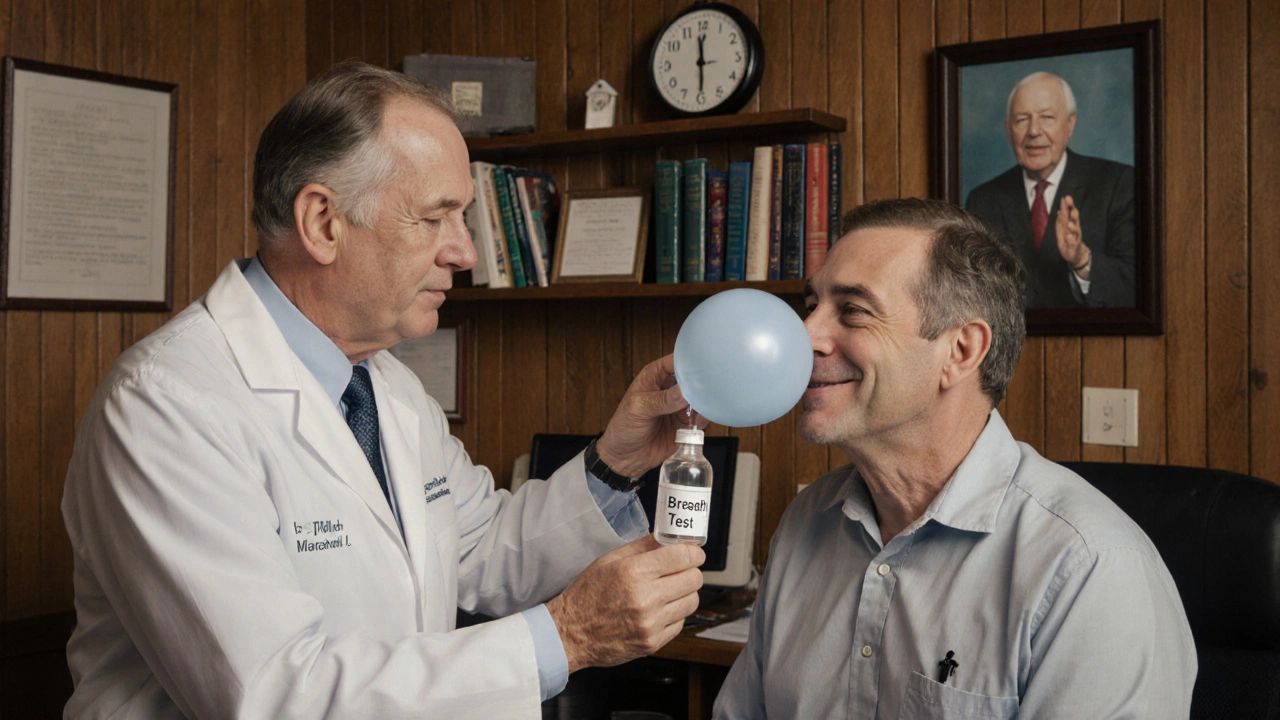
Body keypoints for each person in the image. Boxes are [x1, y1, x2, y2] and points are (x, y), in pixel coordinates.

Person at [60, 61, 706, 719]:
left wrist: (617, 459)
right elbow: (272, 694)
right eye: (436, 218)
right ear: (322, 222)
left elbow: (485, 552)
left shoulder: (385, 387)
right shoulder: (166, 404)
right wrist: (566, 637)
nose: (466, 252)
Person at [713, 199, 1195, 719]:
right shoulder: (807, 521)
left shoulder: (1088, 569)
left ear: (961, 351)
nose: (804, 335)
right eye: (811, 306)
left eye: (852, 310)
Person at [965, 71, 1136, 309]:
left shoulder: (1118, 184)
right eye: (1022, 119)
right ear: (1008, 129)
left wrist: (1082, 260)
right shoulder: (983, 200)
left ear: (1070, 124)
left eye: (1046, 117)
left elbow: (1136, 286)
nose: (1034, 131)